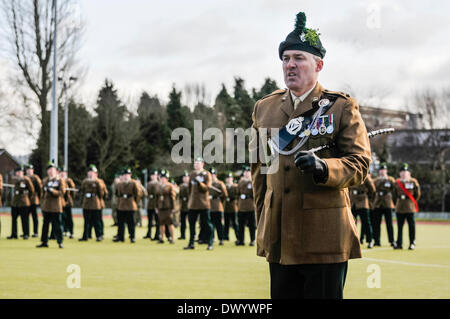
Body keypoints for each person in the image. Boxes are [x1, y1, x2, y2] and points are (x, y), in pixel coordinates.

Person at [250, 11, 371, 299]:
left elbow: (359, 164)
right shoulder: (264, 108)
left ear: (318, 64)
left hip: (324, 238)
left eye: (298, 58)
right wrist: (263, 224)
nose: (290, 64)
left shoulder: (340, 107)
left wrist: (324, 168)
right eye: (285, 58)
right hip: (279, 237)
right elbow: (259, 172)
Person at [184, 156, 214, 250]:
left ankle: (210, 243)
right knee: (192, 224)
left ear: (202, 164)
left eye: (198, 163)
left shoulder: (206, 174)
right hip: (193, 204)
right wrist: (190, 199)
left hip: (203, 203)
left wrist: (200, 183)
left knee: (206, 224)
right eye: (195, 163)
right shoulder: (192, 174)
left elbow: (207, 188)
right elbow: (189, 189)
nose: (196, 165)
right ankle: (191, 243)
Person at [36, 162, 66, 248]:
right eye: (49, 170)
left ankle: (60, 242)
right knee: (45, 225)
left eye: (52, 170)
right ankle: (44, 242)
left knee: (57, 225)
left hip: (56, 206)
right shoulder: (45, 180)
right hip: (46, 206)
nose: (50, 172)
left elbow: (62, 192)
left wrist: (52, 191)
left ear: (56, 171)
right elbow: (41, 193)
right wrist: (42, 203)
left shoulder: (60, 180)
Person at [394, 163, 421, 250]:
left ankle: (412, 242)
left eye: (405, 171)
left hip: (410, 207)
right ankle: (399, 243)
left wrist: (412, 202)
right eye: (402, 172)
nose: (404, 173)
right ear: (400, 173)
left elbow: (417, 194)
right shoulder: (397, 182)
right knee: (399, 227)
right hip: (400, 207)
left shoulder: (413, 181)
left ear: (409, 173)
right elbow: (394, 194)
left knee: (411, 226)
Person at [114, 168, 142, 243]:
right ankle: (120, 237)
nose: (125, 176)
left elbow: (138, 194)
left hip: (130, 204)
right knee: (120, 223)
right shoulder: (119, 184)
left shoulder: (133, 183)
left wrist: (134, 202)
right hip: (121, 205)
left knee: (131, 222)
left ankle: (132, 237)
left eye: (127, 175)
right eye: (124, 175)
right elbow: (117, 194)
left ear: (130, 175)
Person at [79, 164, 106, 242]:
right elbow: (82, 191)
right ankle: (85, 235)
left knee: (97, 220)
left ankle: (99, 235)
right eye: (89, 172)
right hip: (87, 202)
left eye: (92, 172)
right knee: (86, 221)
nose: (90, 174)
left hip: (95, 203)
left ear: (96, 174)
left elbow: (102, 193)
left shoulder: (99, 182)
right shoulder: (85, 181)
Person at [372, 163, 397, 247]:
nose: (382, 171)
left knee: (389, 223)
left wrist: (394, 202)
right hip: (378, 203)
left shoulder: (390, 179)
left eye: (384, 170)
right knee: (376, 223)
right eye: (381, 170)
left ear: (386, 171)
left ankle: (392, 240)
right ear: (379, 171)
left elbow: (395, 191)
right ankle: (376, 241)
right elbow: (372, 191)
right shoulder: (375, 180)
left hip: (388, 203)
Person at [349, 173, 375, 248]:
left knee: (366, 223)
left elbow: (372, 190)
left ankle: (370, 240)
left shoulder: (365, 177)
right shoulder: (350, 175)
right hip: (353, 202)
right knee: (352, 223)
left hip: (363, 202)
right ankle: (352, 241)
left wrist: (368, 200)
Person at [8, 166, 35, 240]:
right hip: (15, 202)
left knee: (24, 219)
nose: (19, 173)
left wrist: (28, 198)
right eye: (18, 172)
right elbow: (12, 180)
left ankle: (26, 234)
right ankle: (14, 234)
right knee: (14, 219)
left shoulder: (26, 179)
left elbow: (32, 190)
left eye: (20, 172)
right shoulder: (15, 179)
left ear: (22, 172)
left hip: (24, 201)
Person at [236, 166, 256, 246]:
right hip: (241, 206)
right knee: (241, 225)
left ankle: (252, 240)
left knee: (252, 225)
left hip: (250, 205)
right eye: (245, 172)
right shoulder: (240, 181)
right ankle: (241, 240)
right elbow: (237, 192)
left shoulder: (253, 181)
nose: (246, 173)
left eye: (248, 172)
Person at [156, 170, 176, 244]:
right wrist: (156, 206)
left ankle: (172, 238)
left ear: (167, 179)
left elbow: (173, 197)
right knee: (161, 223)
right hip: (161, 207)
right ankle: (162, 238)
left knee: (169, 223)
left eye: (164, 178)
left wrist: (173, 207)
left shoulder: (170, 186)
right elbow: (156, 197)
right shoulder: (158, 186)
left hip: (168, 207)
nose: (162, 179)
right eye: (161, 178)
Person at [209, 168, 228, 246]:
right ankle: (212, 238)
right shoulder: (208, 183)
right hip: (209, 206)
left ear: (215, 175)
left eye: (213, 174)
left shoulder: (220, 183)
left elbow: (225, 194)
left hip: (217, 206)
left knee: (219, 224)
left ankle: (221, 239)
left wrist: (218, 199)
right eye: (210, 174)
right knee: (211, 224)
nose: (211, 176)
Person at [25, 164, 42, 237]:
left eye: (30, 170)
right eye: (28, 170)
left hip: (34, 200)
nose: (29, 171)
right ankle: (26, 232)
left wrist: (40, 198)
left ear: (33, 170)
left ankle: (35, 232)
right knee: (25, 217)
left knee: (34, 217)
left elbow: (39, 189)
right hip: (25, 200)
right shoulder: (24, 178)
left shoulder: (35, 178)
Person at [60, 168, 76, 239]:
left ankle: (71, 232)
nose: (62, 174)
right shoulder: (59, 180)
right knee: (62, 217)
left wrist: (70, 199)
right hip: (60, 202)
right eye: (61, 172)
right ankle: (64, 230)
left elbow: (73, 191)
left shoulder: (68, 181)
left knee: (69, 218)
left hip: (67, 202)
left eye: (63, 172)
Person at [144, 169, 160, 240]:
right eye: (152, 175)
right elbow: (146, 193)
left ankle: (157, 234)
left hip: (156, 204)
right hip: (150, 203)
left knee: (157, 220)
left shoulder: (159, 184)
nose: (153, 177)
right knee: (149, 220)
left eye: (155, 175)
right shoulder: (149, 184)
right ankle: (149, 233)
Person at [224, 172, 239, 242]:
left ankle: (238, 237)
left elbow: (237, 195)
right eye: (227, 178)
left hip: (233, 207)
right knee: (226, 224)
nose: (228, 180)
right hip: (226, 208)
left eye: (229, 178)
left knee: (235, 223)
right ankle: (226, 237)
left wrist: (232, 198)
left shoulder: (235, 186)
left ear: (232, 179)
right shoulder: (224, 186)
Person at [178, 171, 190, 240]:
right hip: (183, 206)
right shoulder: (181, 186)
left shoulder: (191, 185)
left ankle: (193, 235)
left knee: (191, 222)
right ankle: (182, 235)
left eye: (187, 177)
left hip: (189, 206)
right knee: (182, 222)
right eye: (184, 177)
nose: (185, 178)